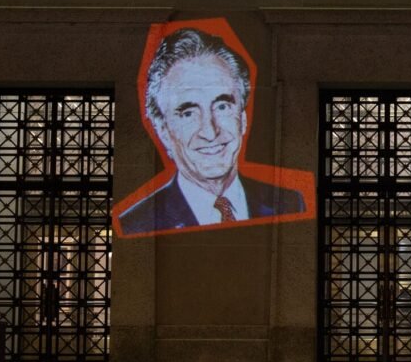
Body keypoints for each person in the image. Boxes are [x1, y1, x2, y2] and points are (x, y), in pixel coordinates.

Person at [117, 27, 305, 235]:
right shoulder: (136, 225)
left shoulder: (291, 204)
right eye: (188, 113)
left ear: (243, 118)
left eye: (222, 107)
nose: (210, 132)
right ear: (163, 132)